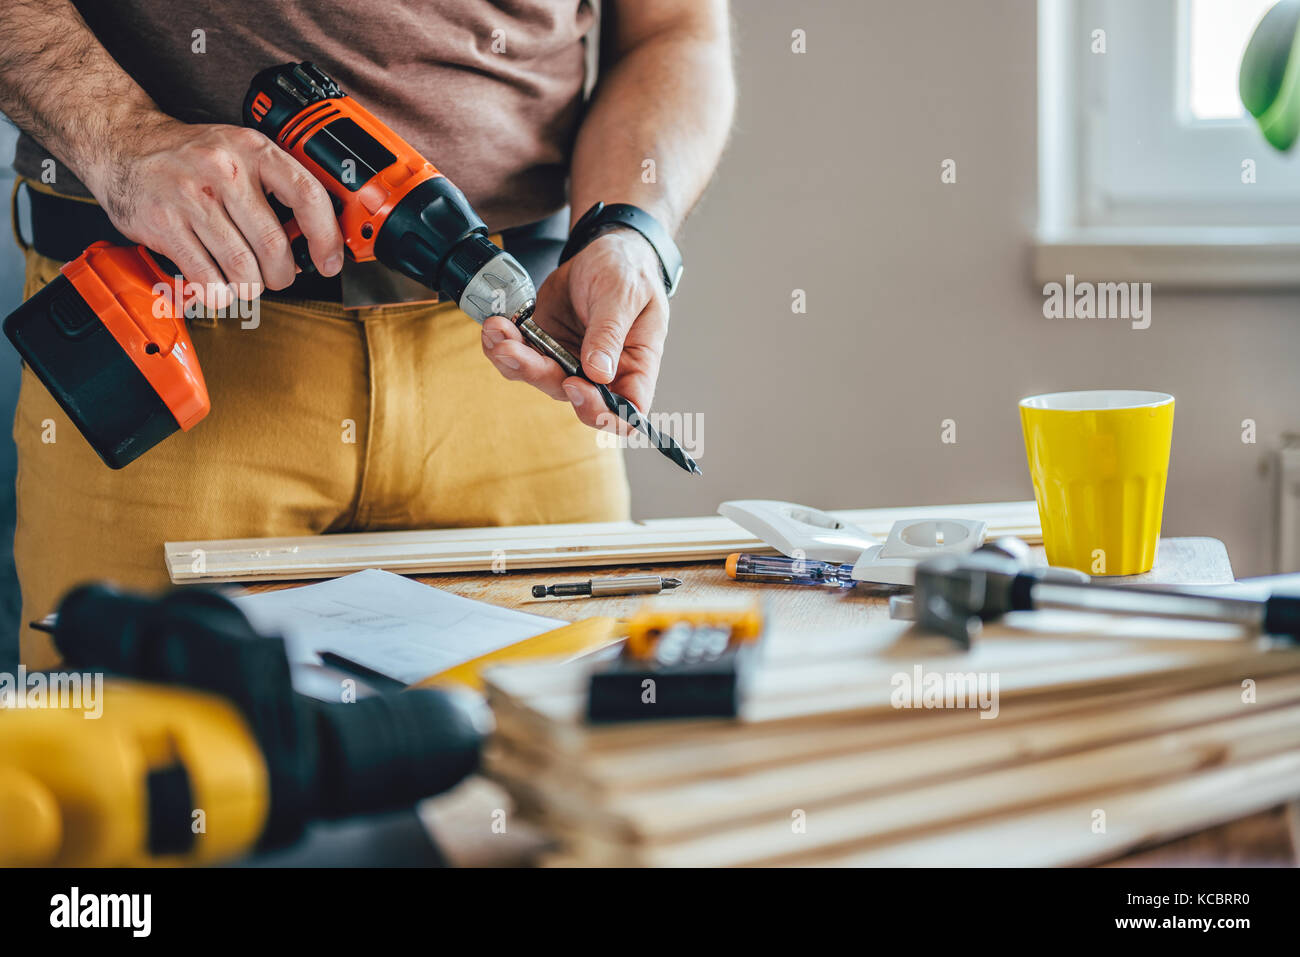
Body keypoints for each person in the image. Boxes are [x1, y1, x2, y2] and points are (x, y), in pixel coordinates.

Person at [0, 0, 734, 668]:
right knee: (138, 771)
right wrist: (124, 137)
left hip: (525, 367)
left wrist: (630, 231)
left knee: (556, 751)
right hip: (165, 332)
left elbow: (675, 31)